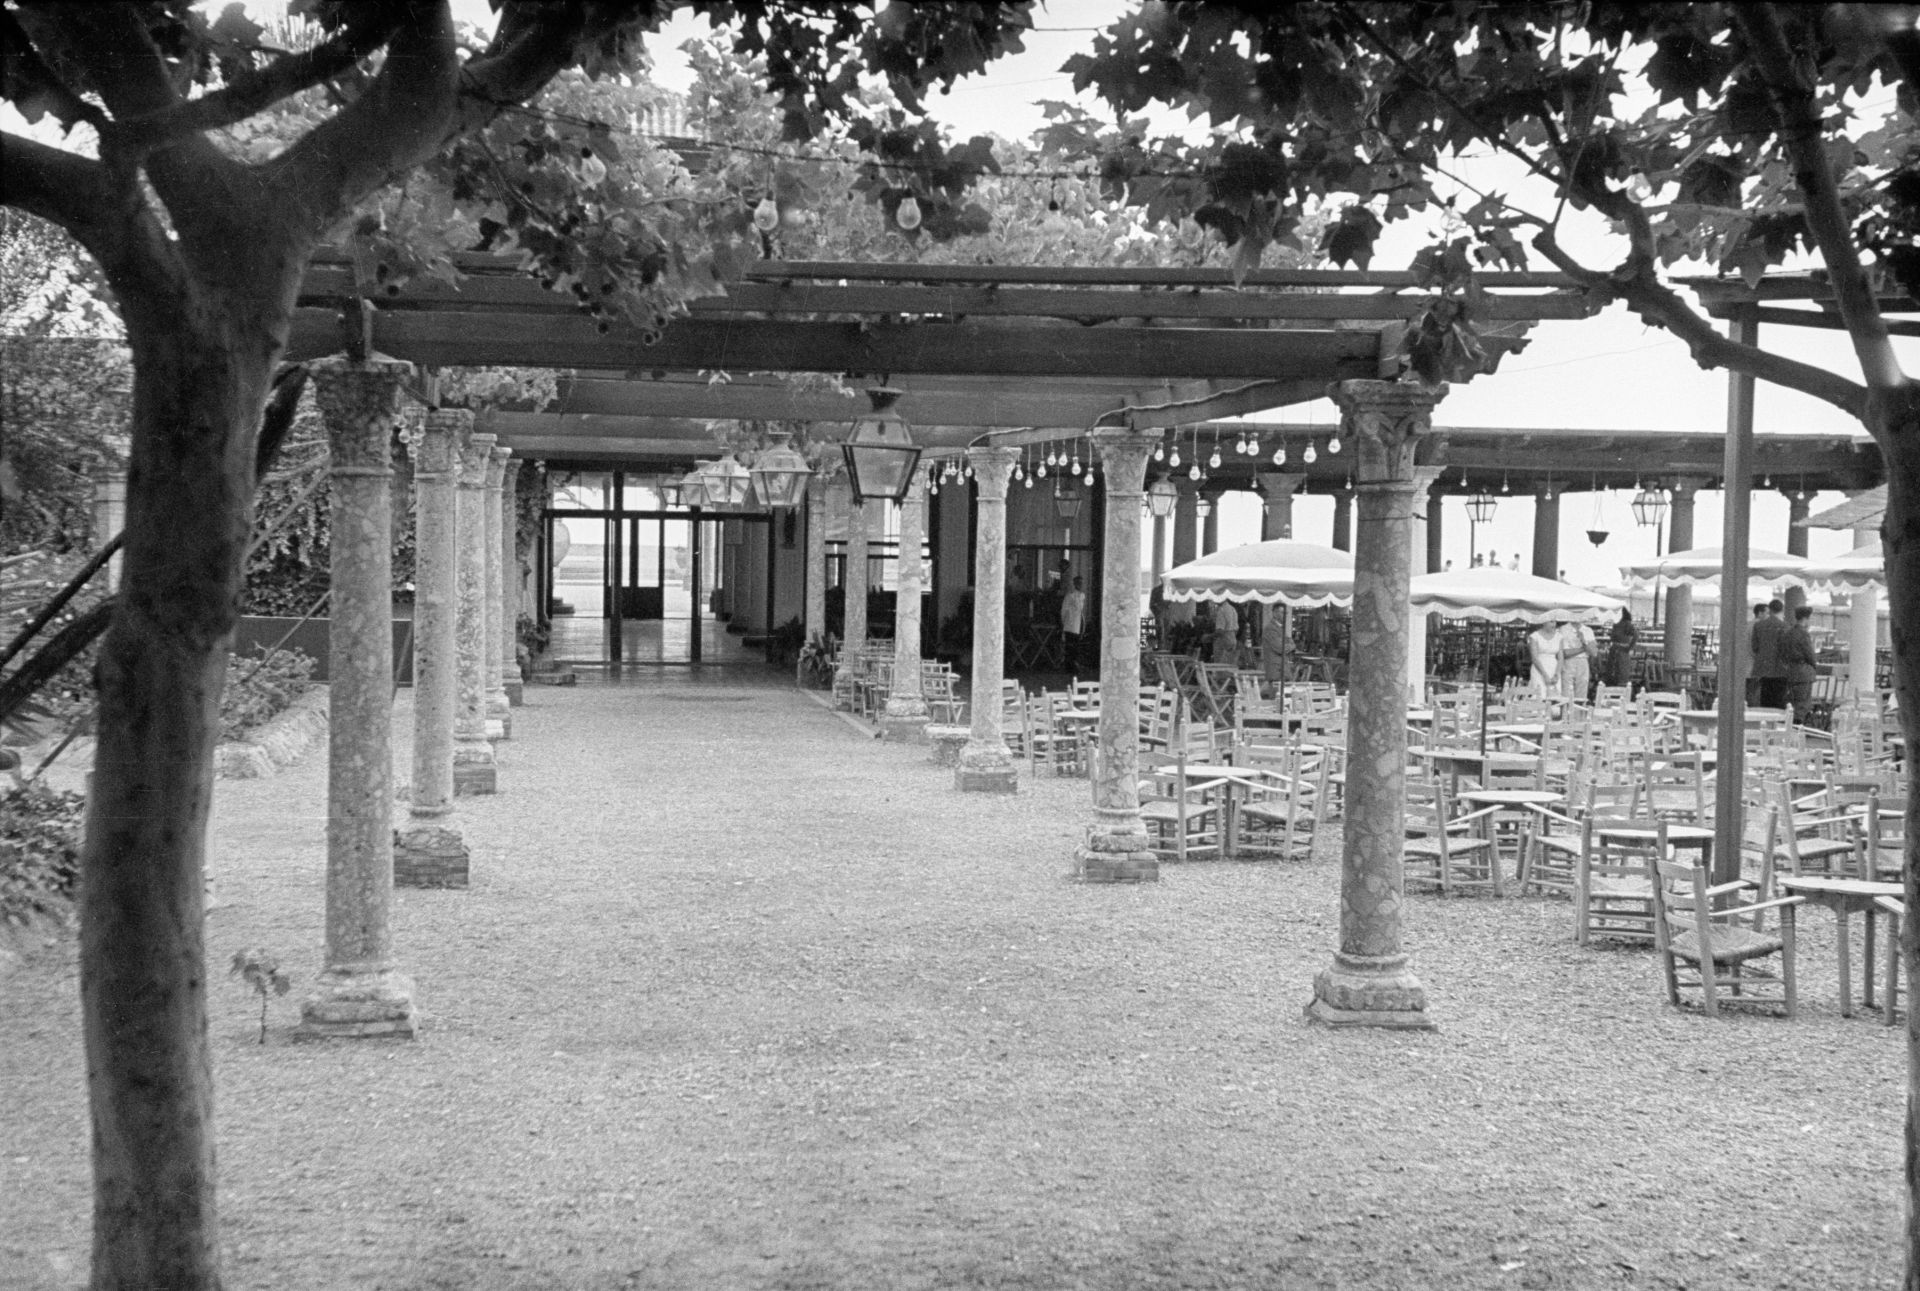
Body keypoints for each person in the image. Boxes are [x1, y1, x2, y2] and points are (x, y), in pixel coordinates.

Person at [1782, 605, 1819, 724]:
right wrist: (1814, 666)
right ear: (1806, 618)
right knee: (1802, 704)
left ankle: (1791, 727)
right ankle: (1798, 728)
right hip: (1803, 672)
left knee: (1792, 702)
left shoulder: (1789, 633)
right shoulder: (1803, 634)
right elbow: (1810, 654)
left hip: (1791, 671)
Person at [1750, 598, 1790, 709]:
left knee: (1765, 700)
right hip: (1780, 669)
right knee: (1779, 702)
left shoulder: (1758, 626)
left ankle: (1764, 723)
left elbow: (1755, 647)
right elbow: (1786, 650)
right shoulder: (1785, 627)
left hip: (1763, 669)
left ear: (1770, 610)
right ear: (1782, 610)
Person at [1558, 616, 1598, 701]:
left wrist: (1583, 641)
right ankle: (1567, 713)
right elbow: (1565, 653)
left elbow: (1594, 652)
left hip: (1583, 662)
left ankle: (1579, 714)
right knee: (1567, 693)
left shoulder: (1588, 630)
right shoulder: (1563, 629)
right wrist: (1584, 648)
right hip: (1568, 662)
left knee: (1581, 694)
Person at [1527, 621, 1563, 696]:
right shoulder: (1534, 636)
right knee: (1539, 695)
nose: (1554, 624)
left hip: (1554, 668)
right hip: (1539, 669)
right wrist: (1545, 675)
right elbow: (1534, 658)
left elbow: (1560, 658)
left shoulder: (1559, 636)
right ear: (1543, 622)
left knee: (1554, 697)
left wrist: (1557, 674)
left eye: (1554, 622)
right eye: (1551, 622)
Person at [1261, 605, 1292, 688]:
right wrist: (1291, 646)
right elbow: (1280, 648)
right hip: (1276, 670)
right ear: (1274, 613)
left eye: (1286, 613)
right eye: (1283, 612)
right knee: (1275, 696)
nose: (1285, 615)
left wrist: (1290, 645)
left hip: (1282, 669)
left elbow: (1290, 642)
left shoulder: (1281, 628)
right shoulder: (1270, 628)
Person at [1606, 608, 1638, 688]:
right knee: (1612, 671)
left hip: (1622, 651)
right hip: (1615, 651)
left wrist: (1629, 647)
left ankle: (1621, 690)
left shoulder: (1627, 624)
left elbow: (1635, 635)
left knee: (1621, 671)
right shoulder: (1616, 624)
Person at [1059, 575, 1086, 663]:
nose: (1080, 585)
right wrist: (1064, 622)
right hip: (1069, 623)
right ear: (1075, 584)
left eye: (1081, 583)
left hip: (1077, 624)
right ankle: (1069, 665)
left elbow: (1080, 611)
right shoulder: (1070, 596)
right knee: (1070, 646)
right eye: (1078, 583)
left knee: (1075, 646)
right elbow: (1064, 610)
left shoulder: (1082, 596)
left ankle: (1074, 664)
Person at [1210, 599, 1240, 665]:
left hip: (1223, 641)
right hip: (1233, 640)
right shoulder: (1233, 609)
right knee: (1230, 665)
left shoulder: (1221, 610)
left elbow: (1220, 631)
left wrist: (1209, 637)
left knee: (1220, 666)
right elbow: (1236, 629)